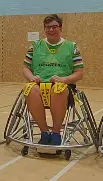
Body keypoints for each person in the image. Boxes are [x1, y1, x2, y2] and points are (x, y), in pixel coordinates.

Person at [22, 14, 84, 146]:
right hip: (39, 85)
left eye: (54, 27)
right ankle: (44, 133)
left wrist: (64, 79)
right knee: (31, 90)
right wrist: (31, 77)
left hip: (63, 86)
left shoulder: (71, 46)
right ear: (44, 29)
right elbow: (25, 68)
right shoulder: (35, 46)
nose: (51, 30)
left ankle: (56, 133)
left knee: (57, 89)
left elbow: (79, 73)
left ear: (60, 28)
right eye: (48, 27)